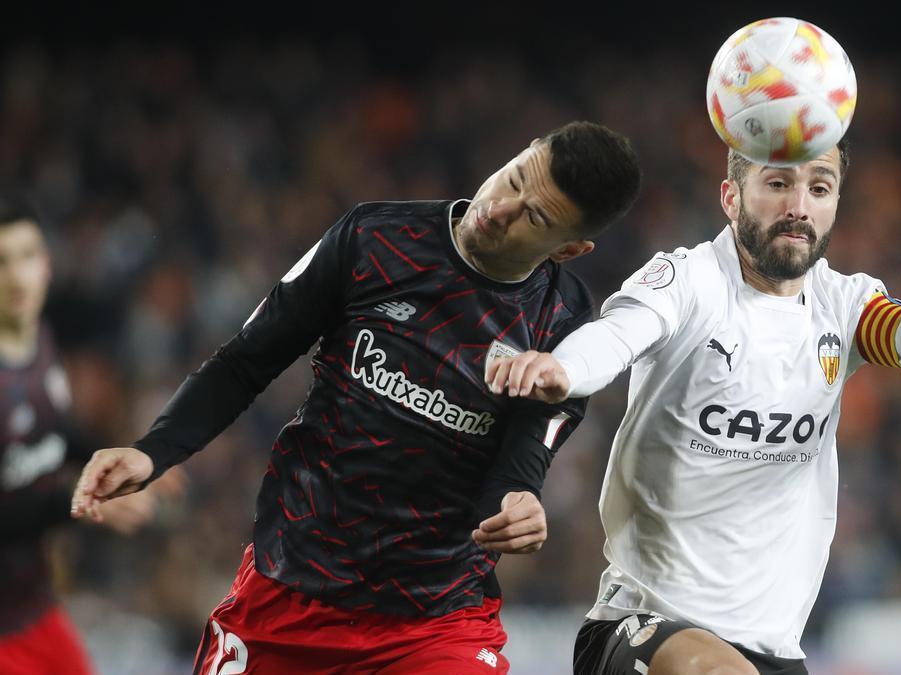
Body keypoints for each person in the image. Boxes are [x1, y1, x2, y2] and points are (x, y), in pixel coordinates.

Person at [486, 142, 901, 675]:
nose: (798, 206)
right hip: (642, 633)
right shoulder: (687, 282)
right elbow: (618, 335)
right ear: (731, 196)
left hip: (774, 653)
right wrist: (563, 367)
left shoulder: (846, 308)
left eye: (820, 186)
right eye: (778, 184)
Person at [69, 121, 641, 674]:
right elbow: (248, 358)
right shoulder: (376, 237)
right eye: (514, 179)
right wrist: (154, 451)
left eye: (533, 217)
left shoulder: (565, 329)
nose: (498, 209)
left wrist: (520, 505)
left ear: (568, 250)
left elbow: (519, 467)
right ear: (523, 151)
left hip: (434, 621)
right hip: (291, 589)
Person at [0, 194, 178, 675]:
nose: (17, 276)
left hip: (30, 612)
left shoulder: (38, 338)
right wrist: (84, 497)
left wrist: (118, 460)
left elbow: (50, 434)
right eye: (2, 261)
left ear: (47, 263)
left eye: (27, 257)